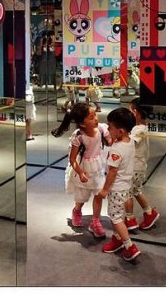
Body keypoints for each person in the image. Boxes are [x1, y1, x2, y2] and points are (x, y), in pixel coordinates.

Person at [52, 102, 111, 239]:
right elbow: (72, 158)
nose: (96, 119)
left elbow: (110, 141)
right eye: (91, 117)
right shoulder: (78, 136)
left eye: (95, 115)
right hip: (84, 168)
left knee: (99, 194)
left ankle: (95, 221)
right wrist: (79, 172)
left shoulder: (101, 128)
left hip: (98, 167)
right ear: (82, 123)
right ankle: (77, 210)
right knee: (82, 196)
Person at [97, 107, 141, 261]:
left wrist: (105, 190)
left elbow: (112, 172)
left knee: (115, 217)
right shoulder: (130, 141)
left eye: (110, 126)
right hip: (126, 186)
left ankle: (129, 246)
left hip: (116, 188)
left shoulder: (116, 149)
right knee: (119, 213)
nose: (108, 129)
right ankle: (117, 238)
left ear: (120, 131)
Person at [124, 98, 160, 231]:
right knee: (136, 191)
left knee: (126, 193)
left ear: (135, 112)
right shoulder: (141, 127)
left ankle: (129, 219)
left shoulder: (139, 129)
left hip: (134, 167)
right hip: (138, 166)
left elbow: (129, 144)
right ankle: (149, 213)